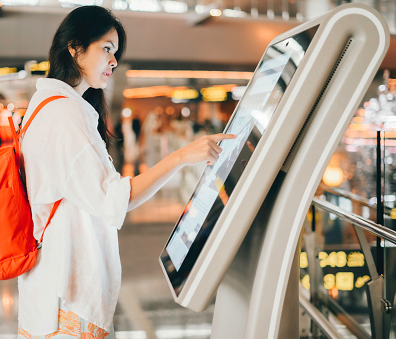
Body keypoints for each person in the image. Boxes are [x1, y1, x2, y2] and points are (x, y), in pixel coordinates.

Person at [17, 6, 235, 339]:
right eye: (106, 48)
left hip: (48, 288)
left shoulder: (45, 107)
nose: (114, 60)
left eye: (115, 52)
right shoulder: (64, 114)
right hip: (66, 297)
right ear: (75, 48)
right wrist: (180, 157)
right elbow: (114, 199)